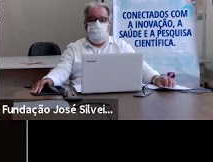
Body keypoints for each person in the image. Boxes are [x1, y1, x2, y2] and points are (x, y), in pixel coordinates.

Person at [31, 2, 177, 94]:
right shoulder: (74, 48)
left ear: (109, 24)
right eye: (92, 19)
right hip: (82, 101)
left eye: (102, 20)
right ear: (85, 24)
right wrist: (49, 79)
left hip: (120, 98)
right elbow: (62, 70)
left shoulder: (121, 46)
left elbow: (141, 68)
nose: (97, 23)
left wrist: (156, 78)